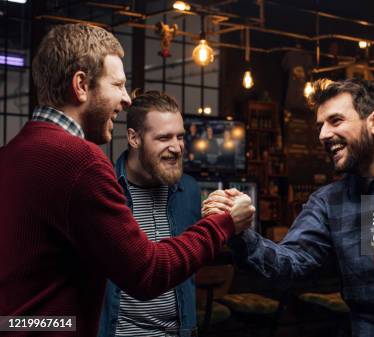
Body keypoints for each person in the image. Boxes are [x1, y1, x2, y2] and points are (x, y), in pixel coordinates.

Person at [0, 24, 254, 337]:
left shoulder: (10, 153)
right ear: (81, 85)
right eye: (118, 85)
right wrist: (224, 223)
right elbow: (147, 272)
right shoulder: (82, 162)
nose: (126, 100)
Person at [203, 79, 374, 337]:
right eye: (320, 125)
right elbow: (289, 264)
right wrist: (239, 230)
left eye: (335, 121)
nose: (323, 134)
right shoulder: (327, 202)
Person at [97, 91, 202, 336]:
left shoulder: (190, 190)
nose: (176, 148)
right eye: (164, 137)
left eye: (180, 137)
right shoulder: (104, 189)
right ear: (134, 138)